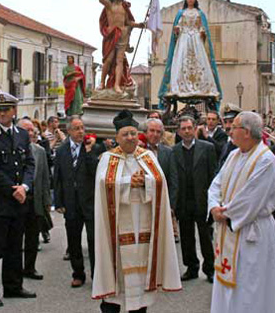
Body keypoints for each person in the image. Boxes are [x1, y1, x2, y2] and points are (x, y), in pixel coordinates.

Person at [92, 110, 181, 313]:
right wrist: (128, 183)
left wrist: (146, 183)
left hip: (144, 229)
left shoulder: (147, 156)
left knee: (141, 287)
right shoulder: (108, 158)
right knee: (116, 288)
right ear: (117, 137)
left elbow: (160, 182)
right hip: (118, 231)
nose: (131, 138)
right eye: (126, 134)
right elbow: (103, 185)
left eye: (133, 133)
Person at [208, 111, 275, 313]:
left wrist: (226, 214)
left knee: (251, 290)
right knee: (230, 289)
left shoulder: (265, 160)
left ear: (247, 132)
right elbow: (216, 183)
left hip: (252, 233)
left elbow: (251, 198)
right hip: (230, 228)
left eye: (234, 127)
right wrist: (214, 206)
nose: (229, 131)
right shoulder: (234, 155)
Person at [0, 91, 37, 307]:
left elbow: (29, 163)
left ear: (14, 111)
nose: (2, 114)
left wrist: (25, 186)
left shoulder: (22, 134)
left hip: (19, 202)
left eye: (6, 110)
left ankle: (13, 286)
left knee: (14, 246)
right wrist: (14, 190)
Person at [53, 115, 102, 287]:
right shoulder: (61, 150)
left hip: (89, 202)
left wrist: (88, 152)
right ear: (69, 131)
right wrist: (58, 202)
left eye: (82, 128)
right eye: (77, 128)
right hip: (71, 203)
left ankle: (98, 275)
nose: (81, 131)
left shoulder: (92, 148)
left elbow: (95, 172)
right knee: (73, 241)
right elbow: (57, 177)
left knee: (93, 240)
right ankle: (78, 274)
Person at [158, 0, 222, 103]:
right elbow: (179, 25)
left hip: (196, 39)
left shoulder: (199, 13)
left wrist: (202, 32)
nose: (190, 0)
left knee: (199, 61)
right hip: (184, 39)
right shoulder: (181, 13)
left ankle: (201, 86)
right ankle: (180, 85)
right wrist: (177, 29)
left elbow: (202, 27)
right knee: (181, 61)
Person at [172, 115, 217, 282]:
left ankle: (210, 269)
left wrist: (213, 200)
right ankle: (191, 267)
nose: (186, 131)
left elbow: (213, 175)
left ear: (195, 128)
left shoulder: (207, 148)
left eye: (189, 128)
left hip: (202, 200)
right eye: (183, 129)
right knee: (186, 237)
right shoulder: (174, 150)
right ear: (179, 131)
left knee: (206, 237)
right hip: (184, 201)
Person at [90, 0, 144, 93]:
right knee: (108, 60)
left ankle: (116, 85)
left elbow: (128, 22)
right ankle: (102, 83)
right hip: (111, 35)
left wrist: (139, 25)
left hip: (122, 35)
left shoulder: (124, 7)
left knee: (119, 60)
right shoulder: (109, 5)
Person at [16, 118, 52, 280]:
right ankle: (15, 270)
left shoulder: (40, 151)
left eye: (32, 131)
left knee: (32, 238)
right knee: (16, 239)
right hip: (17, 200)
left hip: (34, 200)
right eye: (27, 130)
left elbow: (44, 178)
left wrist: (46, 202)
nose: (30, 133)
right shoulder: (12, 149)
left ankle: (30, 268)